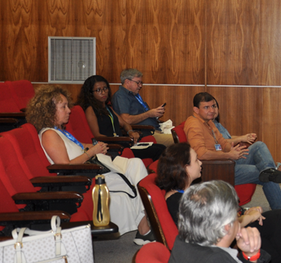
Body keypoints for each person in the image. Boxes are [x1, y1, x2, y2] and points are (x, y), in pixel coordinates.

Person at [26, 85, 153, 243]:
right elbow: (65, 165)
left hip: (91, 167)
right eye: (63, 107)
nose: (69, 110)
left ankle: (143, 220)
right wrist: (91, 152)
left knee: (136, 164)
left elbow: (76, 146)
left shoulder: (58, 130)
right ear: (49, 110)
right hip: (81, 178)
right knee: (132, 174)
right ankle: (144, 224)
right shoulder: (49, 134)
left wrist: (93, 146)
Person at [184, 92, 281, 222]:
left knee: (259, 146)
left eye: (213, 106)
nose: (211, 110)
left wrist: (232, 150)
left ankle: (270, 170)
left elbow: (222, 142)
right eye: (206, 107)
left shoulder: (208, 122)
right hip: (216, 169)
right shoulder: (194, 125)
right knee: (262, 173)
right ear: (196, 109)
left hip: (225, 160)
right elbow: (200, 154)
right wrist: (228, 155)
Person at [76, 75, 166, 163]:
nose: (103, 92)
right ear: (90, 93)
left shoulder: (107, 107)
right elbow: (97, 136)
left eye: (105, 88)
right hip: (112, 148)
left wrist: (130, 132)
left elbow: (124, 124)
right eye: (98, 90)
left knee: (161, 148)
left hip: (122, 143)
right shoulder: (90, 109)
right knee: (159, 151)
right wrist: (118, 140)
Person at [111, 68, 173, 146]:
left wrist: (155, 114)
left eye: (141, 83)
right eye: (138, 82)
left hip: (155, 129)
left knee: (182, 133)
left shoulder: (135, 95)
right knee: (179, 139)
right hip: (145, 133)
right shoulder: (121, 96)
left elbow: (142, 114)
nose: (140, 86)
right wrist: (149, 114)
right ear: (127, 82)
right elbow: (126, 119)